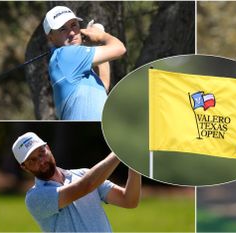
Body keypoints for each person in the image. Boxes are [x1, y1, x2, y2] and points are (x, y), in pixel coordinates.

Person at [12, 132, 141, 232]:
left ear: (48, 148)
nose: (41, 161)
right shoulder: (35, 197)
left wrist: (135, 159)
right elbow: (85, 186)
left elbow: (129, 200)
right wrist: (121, 149)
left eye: (41, 153)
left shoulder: (83, 174)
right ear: (24, 167)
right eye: (32, 161)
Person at [43, 6, 126, 120]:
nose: (72, 33)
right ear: (50, 38)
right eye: (63, 29)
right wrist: (100, 36)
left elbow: (103, 86)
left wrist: (96, 44)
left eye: (74, 25)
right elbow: (119, 49)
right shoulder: (66, 55)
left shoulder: (76, 64)